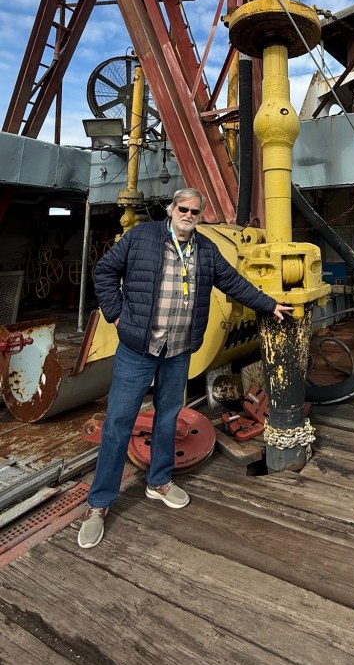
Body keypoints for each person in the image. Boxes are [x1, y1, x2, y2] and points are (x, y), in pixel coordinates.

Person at [78, 187, 293, 549]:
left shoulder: (205, 250)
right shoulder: (141, 237)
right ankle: (99, 503)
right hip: (138, 348)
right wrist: (116, 314)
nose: (188, 215)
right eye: (183, 208)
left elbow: (234, 282)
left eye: (195, 211)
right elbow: (105, 271)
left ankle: (159, 481)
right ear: (171, 208)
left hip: (177, 351)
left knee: (168, 417)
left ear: (199, 215)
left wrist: (268, 304)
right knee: (118, 422)